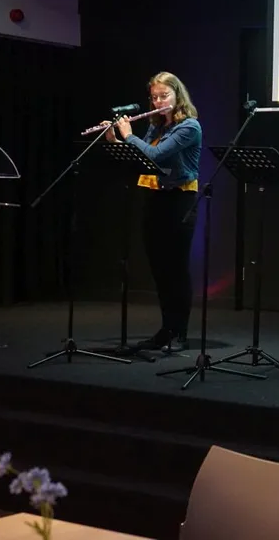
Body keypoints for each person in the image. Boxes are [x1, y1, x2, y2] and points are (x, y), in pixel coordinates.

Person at [104, 71, 201, 354]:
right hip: (155, 198)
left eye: (164, 96)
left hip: (180, 199)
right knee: (159, 269)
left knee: (176, 269)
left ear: (177, 95)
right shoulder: (156, 126)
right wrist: (114, 140)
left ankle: (179, 332)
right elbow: (140, 157)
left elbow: (155, 155)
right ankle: (166, 329)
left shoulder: (189, 127)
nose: (158, 102)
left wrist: (128, 135)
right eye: (155, 97)